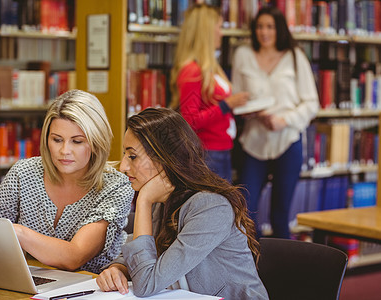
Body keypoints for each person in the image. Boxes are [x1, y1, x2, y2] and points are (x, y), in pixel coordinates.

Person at [96, 108, 268, 300]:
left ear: (164, 159)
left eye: (133, 156)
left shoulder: (210, 208)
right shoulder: (164, 201)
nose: (123, 167)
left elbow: (146, 283)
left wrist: (143, 200)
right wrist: (119, 268)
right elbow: (144, 251)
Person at [0, 89, 134, 274]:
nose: (65, 150)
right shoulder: (22, 173)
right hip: (30, 282)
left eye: (77, 142)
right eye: (57, 139)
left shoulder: (116, 186)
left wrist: (16, 231)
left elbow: (75, 257)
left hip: (91, 289)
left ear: (97, 141)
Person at [231, 6, 319, 239]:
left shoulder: (295, 56)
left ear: (279, 29)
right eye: (259, 26)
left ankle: (283, 271)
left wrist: (284, 120)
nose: (264, 32)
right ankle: (254, 268)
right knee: (245, 212)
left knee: (281, 215)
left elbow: (312, 103)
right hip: (253, 143)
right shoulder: (243, 55)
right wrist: (253, 113)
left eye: (270, 26)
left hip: (288, 141)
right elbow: (236, 100)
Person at [169, 3, 249, 182]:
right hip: (208, 153)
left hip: (222, 150)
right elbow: (190, 120)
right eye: (219, 27)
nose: (222, 33)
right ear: (206, 32)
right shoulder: (192, 71)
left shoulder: (211, 68)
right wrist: (226, 105)